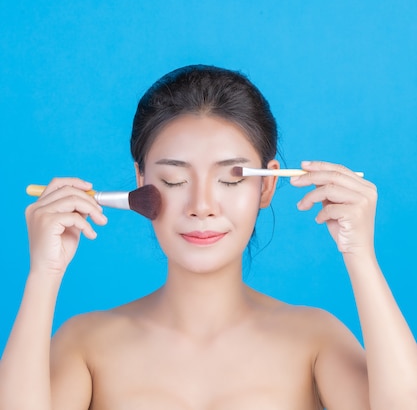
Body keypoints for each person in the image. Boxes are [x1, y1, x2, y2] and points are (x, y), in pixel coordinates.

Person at [1, 64, 416, 410]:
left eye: (231, 180)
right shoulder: (86, 343)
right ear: (140, 182)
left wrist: (360, 254)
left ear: (267, 186)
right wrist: (44, 273)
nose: (202, 205)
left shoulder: (315, 339)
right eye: (174, 179)